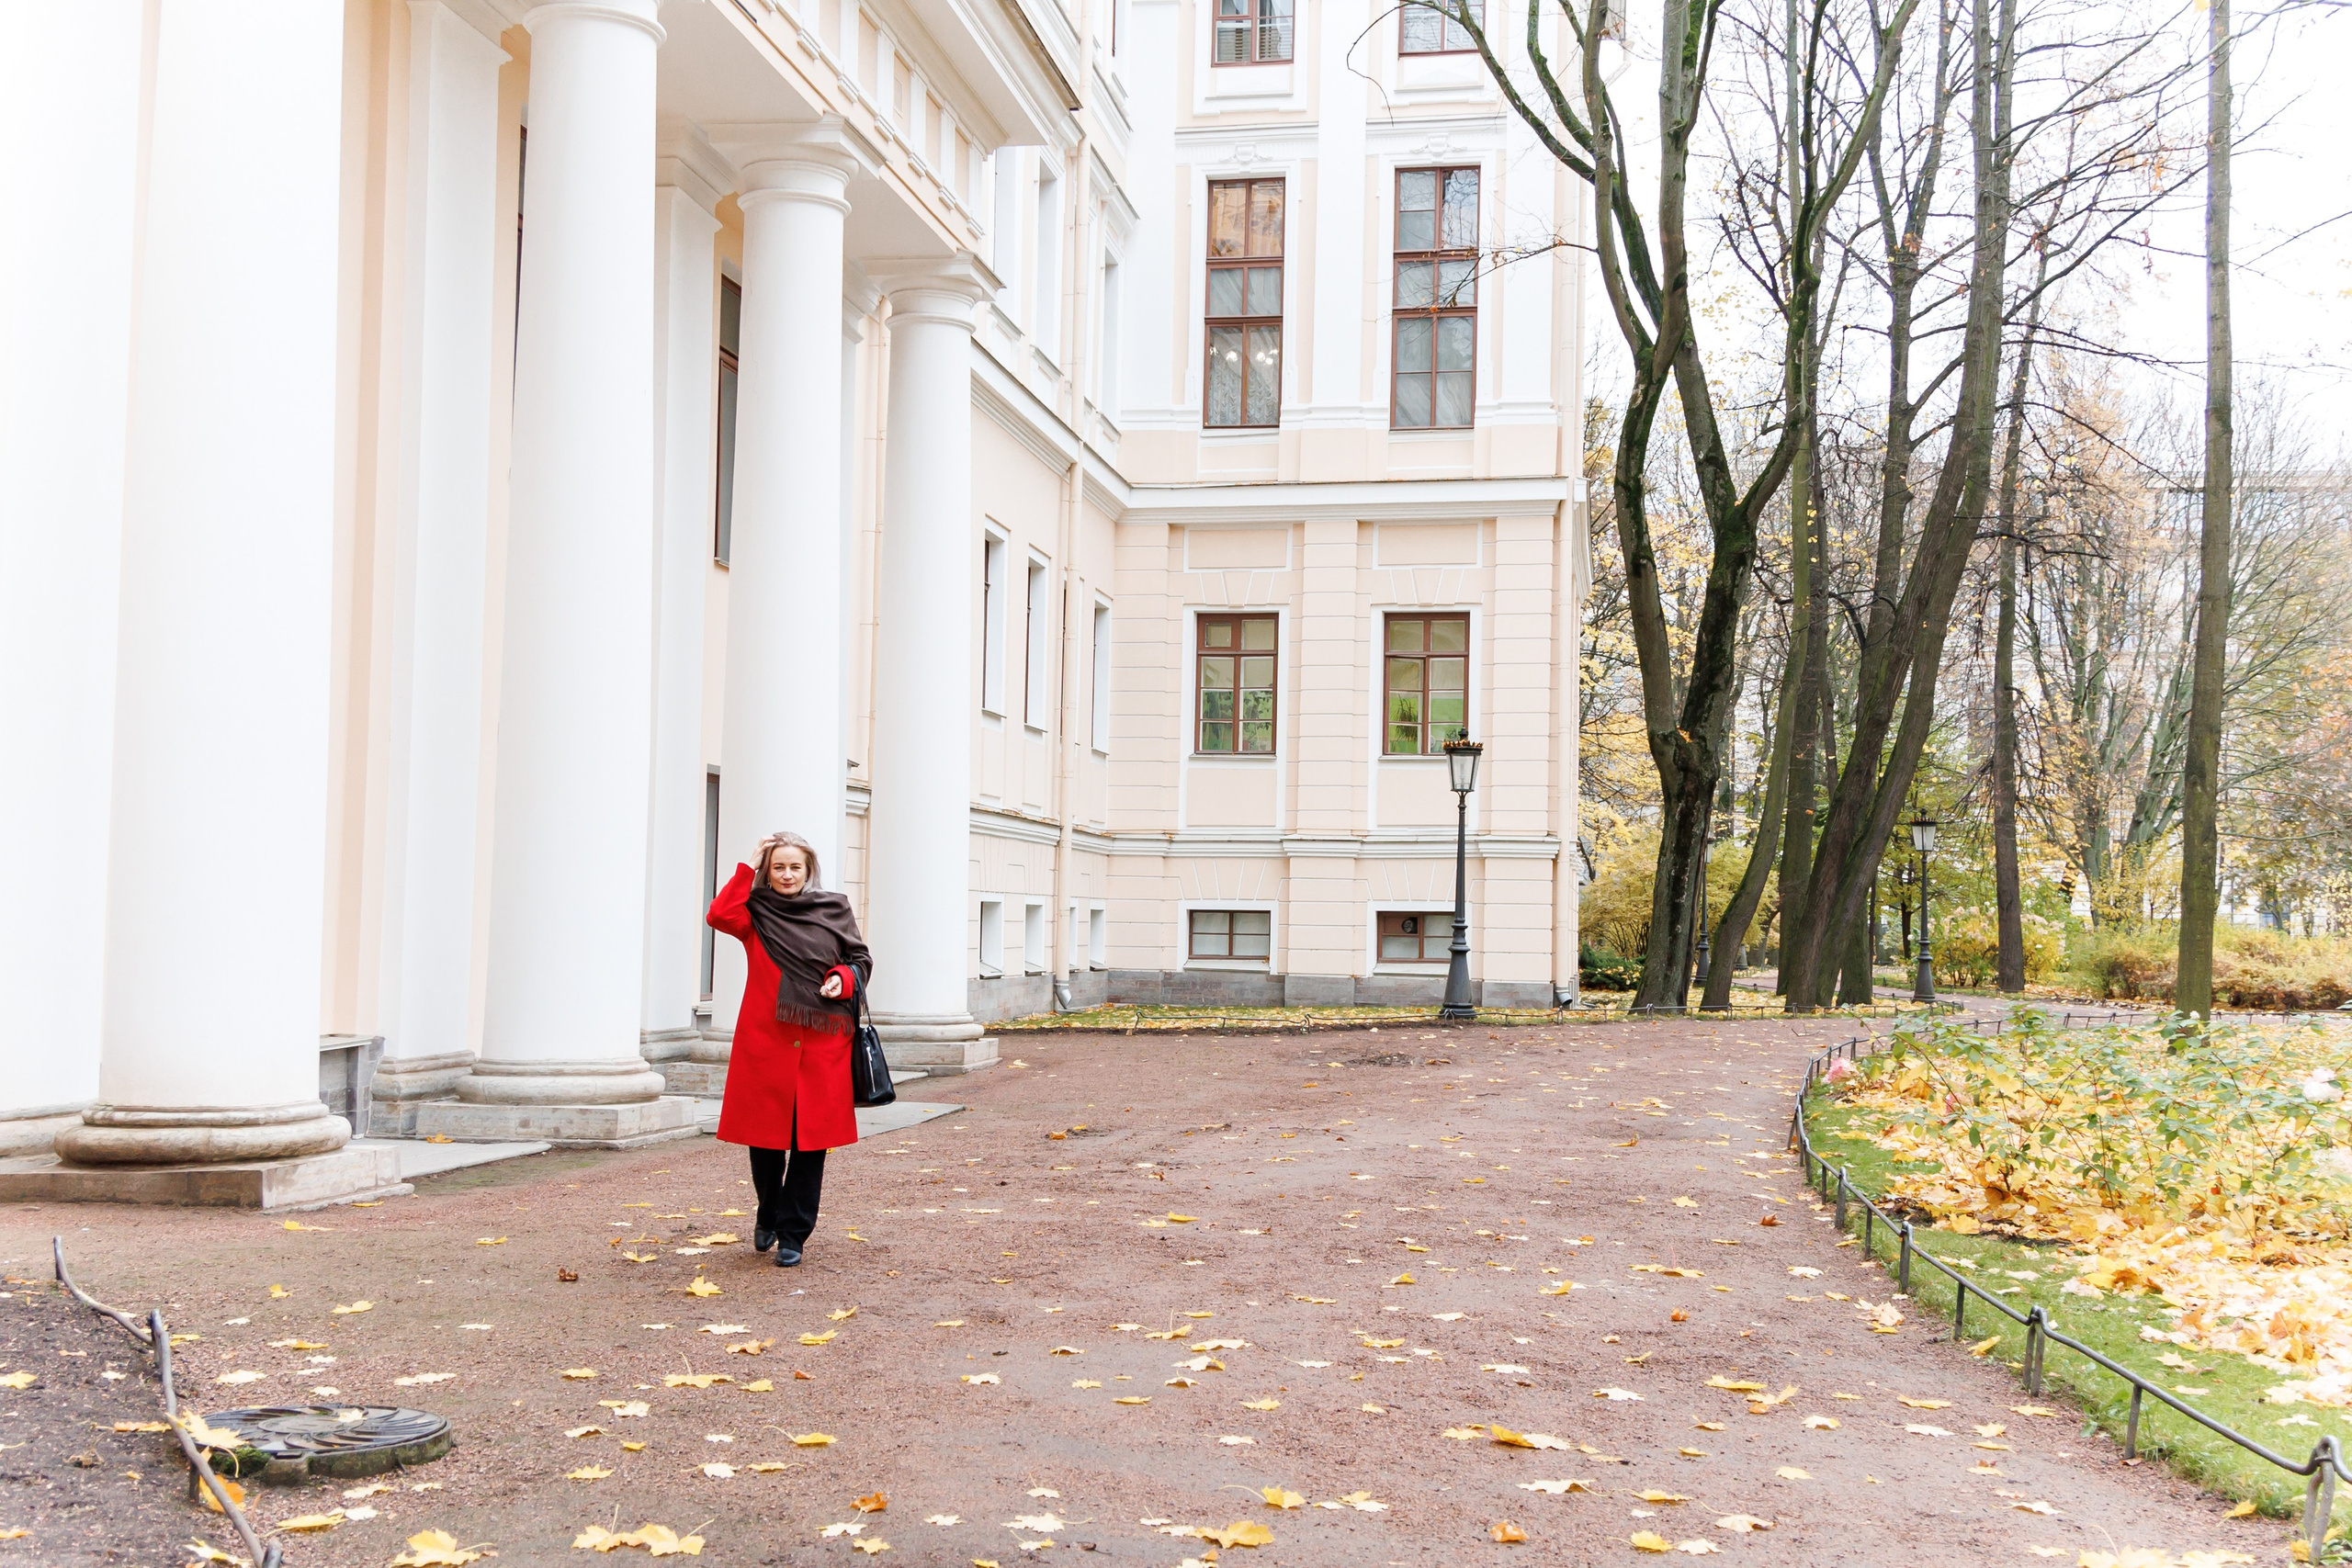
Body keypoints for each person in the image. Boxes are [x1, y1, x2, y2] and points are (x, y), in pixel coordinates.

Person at [706, 831, 871, 1268]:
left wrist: (843, 978)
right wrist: (750, 864)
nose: (786, 874)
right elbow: (719, 915)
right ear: (768, 870)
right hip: (766, 1041)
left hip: (823, 1043)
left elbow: (860, 958)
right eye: (778, 866)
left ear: (808, 869)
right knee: (764, 1140)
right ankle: (767, 1212)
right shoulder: (755, 911)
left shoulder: (833, 907)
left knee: (809, 1142)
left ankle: (794, 1233)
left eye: (794, 866)